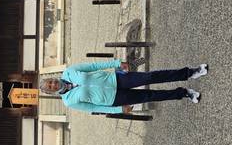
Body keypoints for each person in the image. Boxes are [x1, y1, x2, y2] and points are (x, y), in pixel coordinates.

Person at [39, 59, 208, 114]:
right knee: (150, 96)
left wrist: (117, 63)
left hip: (115, 79)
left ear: (53, 78)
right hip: (114, 99)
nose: (53, 84)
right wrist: (119, 110)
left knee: (151, 77)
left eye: (51, 81)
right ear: (52, 91)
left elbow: (93, 66)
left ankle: (190, 72)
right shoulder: (69, 101)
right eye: (51, 86)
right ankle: (184, 93)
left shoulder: (70, 71)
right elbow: (94, 108)